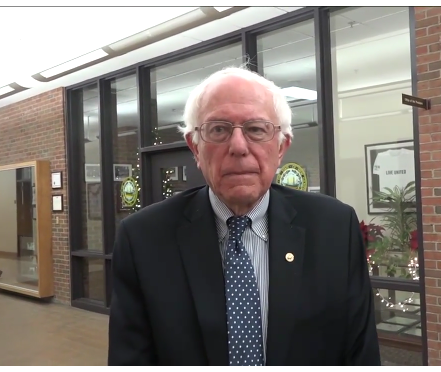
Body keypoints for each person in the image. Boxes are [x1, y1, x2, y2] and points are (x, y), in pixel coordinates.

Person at [108, 65, 380, 366]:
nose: (238, 147)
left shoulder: (334, 229)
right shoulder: (143, 239)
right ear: (195, 148)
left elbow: (360, 354)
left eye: (256, 129)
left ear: (281, 147)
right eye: (218, 130)